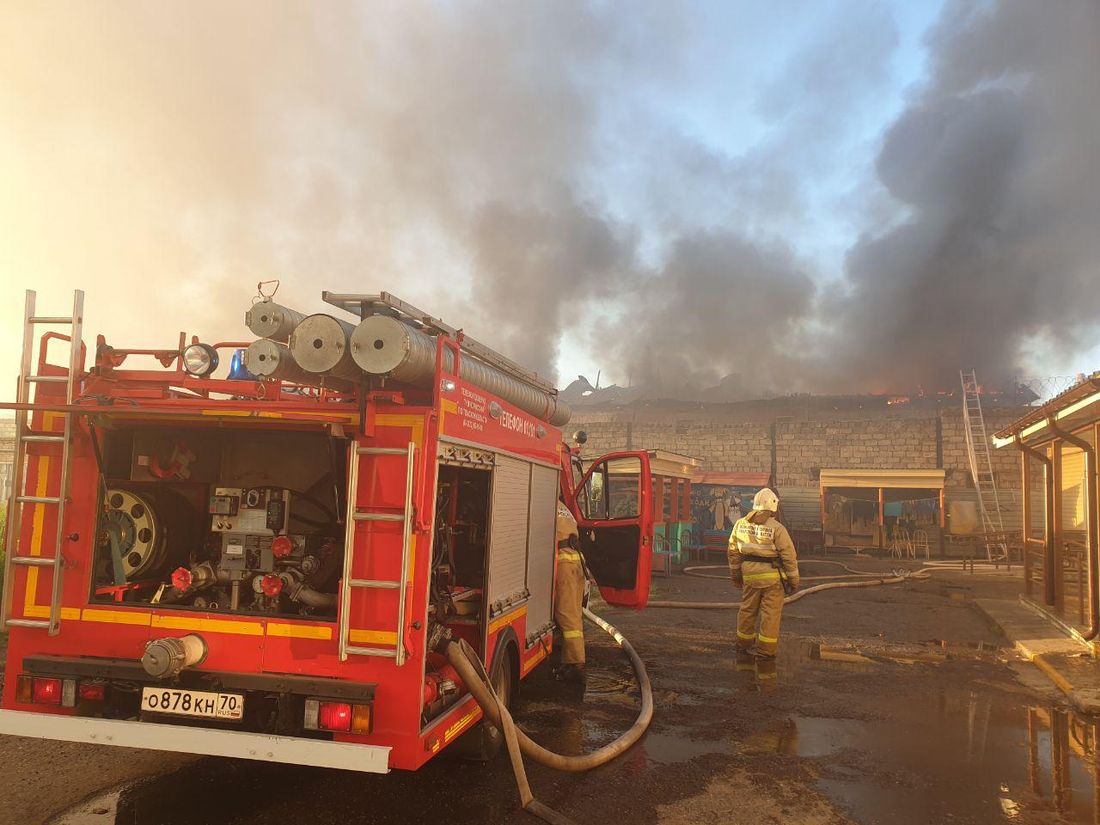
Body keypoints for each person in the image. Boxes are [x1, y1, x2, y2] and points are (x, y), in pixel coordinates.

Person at [728, 488, 799, 658]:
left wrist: (736, 576)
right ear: (773, 506)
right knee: (770, 614)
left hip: (749, 576)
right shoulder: (777, 528)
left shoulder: (740, 524)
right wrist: (794, 580)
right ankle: (766, 651)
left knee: (747, 610)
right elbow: (789, 556)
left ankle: (743, 644)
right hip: (773, 579)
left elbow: (733, 552)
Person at [553, 498, 587, 685]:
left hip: (565, 563)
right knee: (574, 613)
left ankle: (575, 664)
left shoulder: (547, 504)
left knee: (566, 614)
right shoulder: (563, 508)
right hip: (576, 561)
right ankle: (571, 661)